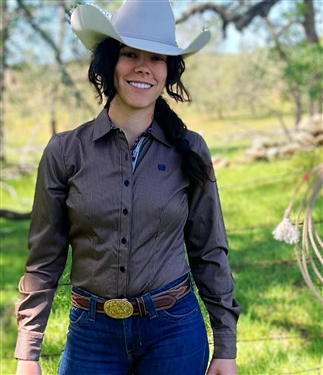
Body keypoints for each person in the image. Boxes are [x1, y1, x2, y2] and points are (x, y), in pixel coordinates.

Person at [15, 1, 240, 374]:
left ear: (168, 71)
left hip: (175, 333)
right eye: (129, 54)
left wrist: (226, 347)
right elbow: (44, 258)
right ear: (109, 62)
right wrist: (28, 354)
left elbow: (209, 251)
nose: (143, 67)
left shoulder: (192, 150)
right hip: (92, 336)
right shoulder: (65, 151)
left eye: (157, 58)